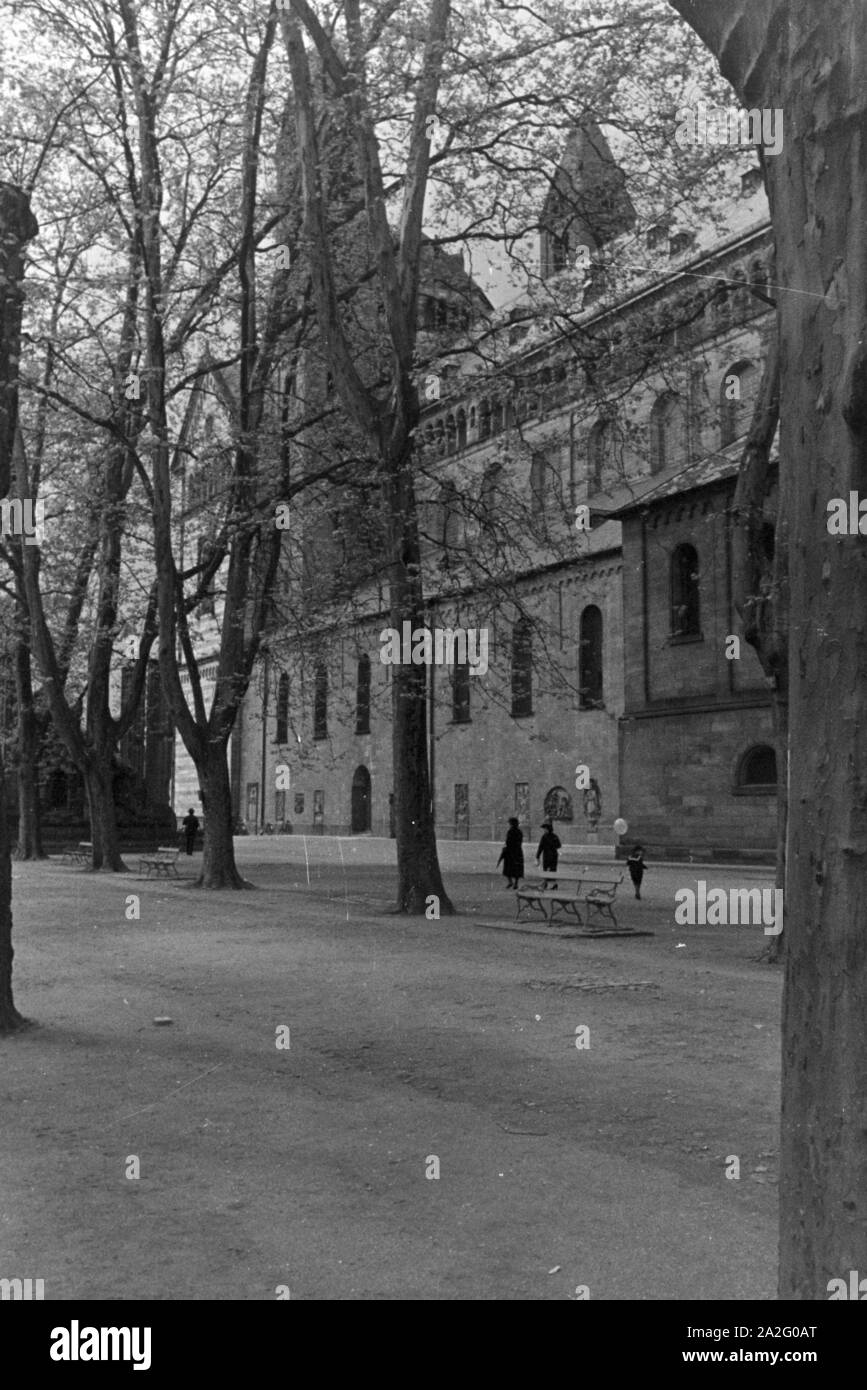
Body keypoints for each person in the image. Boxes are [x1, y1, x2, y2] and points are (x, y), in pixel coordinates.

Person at [497, 817, 525, 889]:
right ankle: (515, 883)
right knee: (516, 869)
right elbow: (519, 841)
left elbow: (508, 841)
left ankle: (510, 882)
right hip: (517, 851)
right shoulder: (519, 832)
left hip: (510, 851)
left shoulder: (511, 831)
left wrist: (506, 848)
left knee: (508, 868)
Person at [536, 820, 562, 887]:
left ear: (548, 829)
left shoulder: (553, 836)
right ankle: (546, 883)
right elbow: (540, 847)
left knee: (552, 870)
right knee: (546, 869)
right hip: (548, 855)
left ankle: (553, 884)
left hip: (552, 855)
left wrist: (552, 845)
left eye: (545, 829)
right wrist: (537, 856)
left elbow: (559, 845)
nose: (544, 830)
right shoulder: (544, 836)